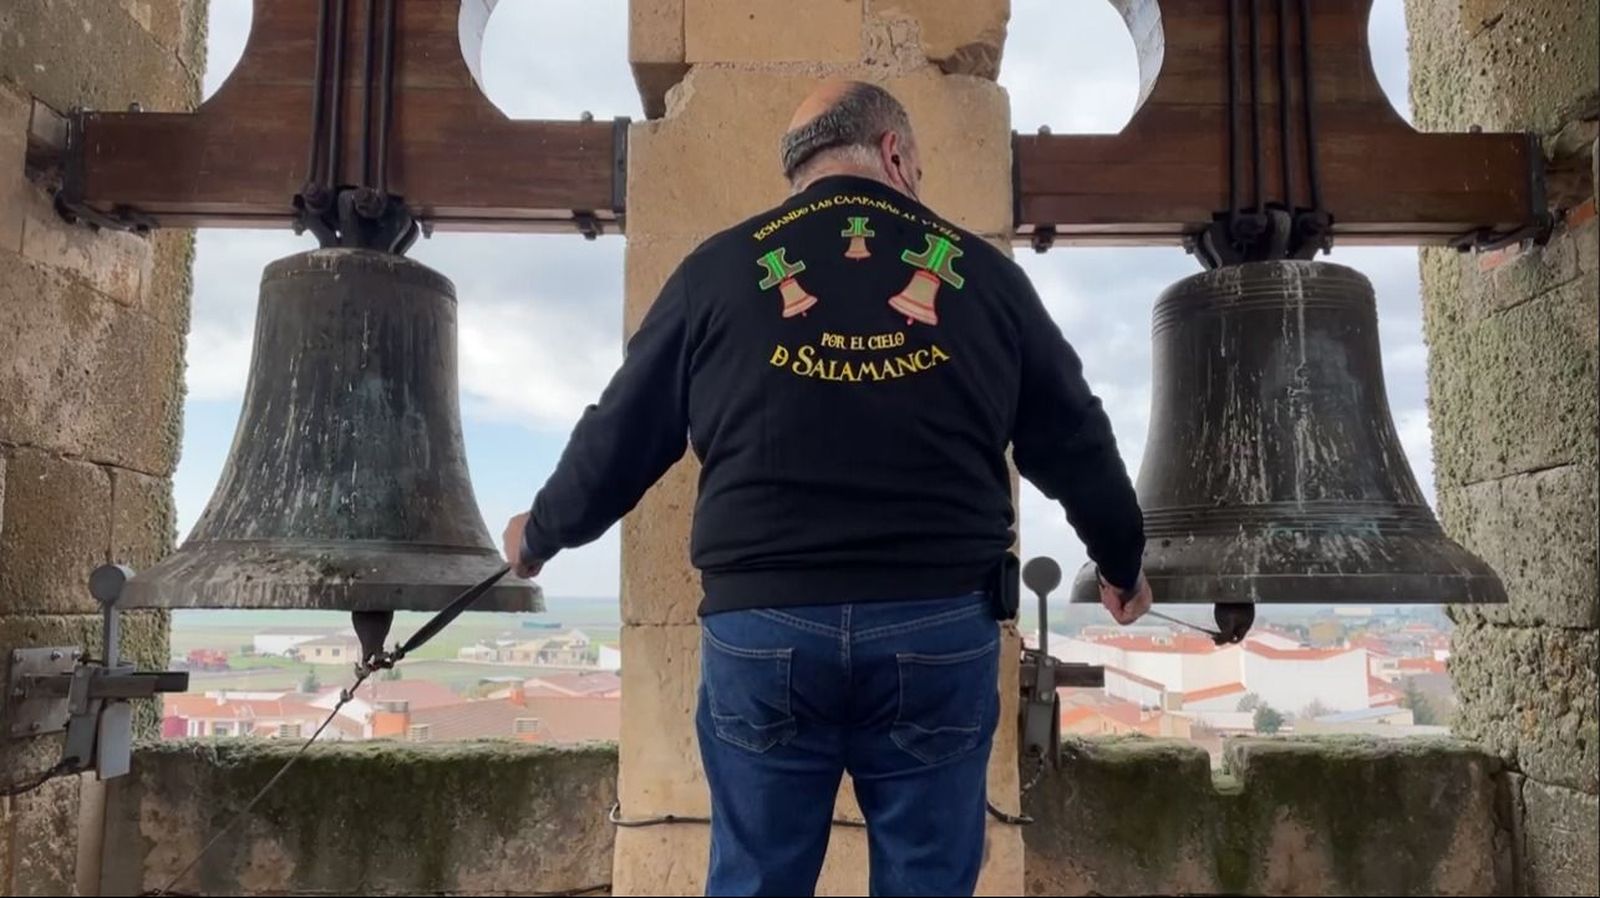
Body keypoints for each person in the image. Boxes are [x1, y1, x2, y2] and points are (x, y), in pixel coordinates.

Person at [502, 80, 1151, 897]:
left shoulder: (719, 271)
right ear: (893, 153)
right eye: (917, 165)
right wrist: (1122, 563)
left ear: (800, 172)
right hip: (937, 625)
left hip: (763, 631)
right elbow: (1078, 441)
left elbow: (618, 436)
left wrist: (539, 536)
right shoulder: (986, 278)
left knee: (757, 882)